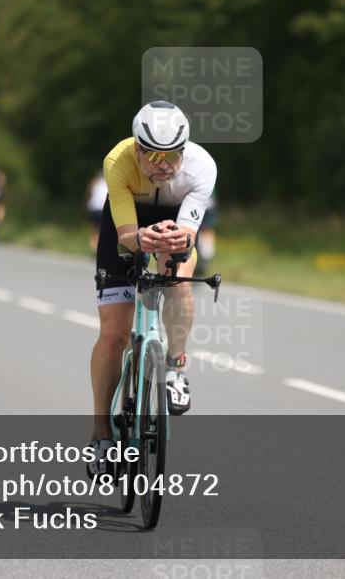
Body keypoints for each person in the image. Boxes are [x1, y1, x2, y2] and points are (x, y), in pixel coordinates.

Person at [88, 101, 217, 477]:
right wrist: (140, 239)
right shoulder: (118, 162)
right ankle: (100, 436)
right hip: (129, 223)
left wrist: (175, 241)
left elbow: (189, 234)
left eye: (172, 156)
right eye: (154, 155)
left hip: (174, 219)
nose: (164, 165)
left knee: (177, 278)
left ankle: (176, 368)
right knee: (113, 334)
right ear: (137, 148)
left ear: (185, 150)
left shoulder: (202, 166)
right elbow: (127, 237)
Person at [85, 171, 108, 252]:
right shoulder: (109, 184)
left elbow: (89, 194)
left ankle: (93, 246)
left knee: (93, 230)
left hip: (93, 208)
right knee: (101, 231)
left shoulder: (95, 183)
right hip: (102, 209)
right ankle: (97, 248)